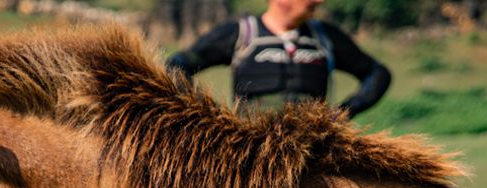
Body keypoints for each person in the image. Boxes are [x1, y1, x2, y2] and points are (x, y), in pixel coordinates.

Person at [165, 0, 391, 118]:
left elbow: (378, 73)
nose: (319, 0)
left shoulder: (326, 37)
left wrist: (345, 111)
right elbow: (177, 65)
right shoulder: (242, 34)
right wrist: (205, 113)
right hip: (251, 155)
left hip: (314, 155)